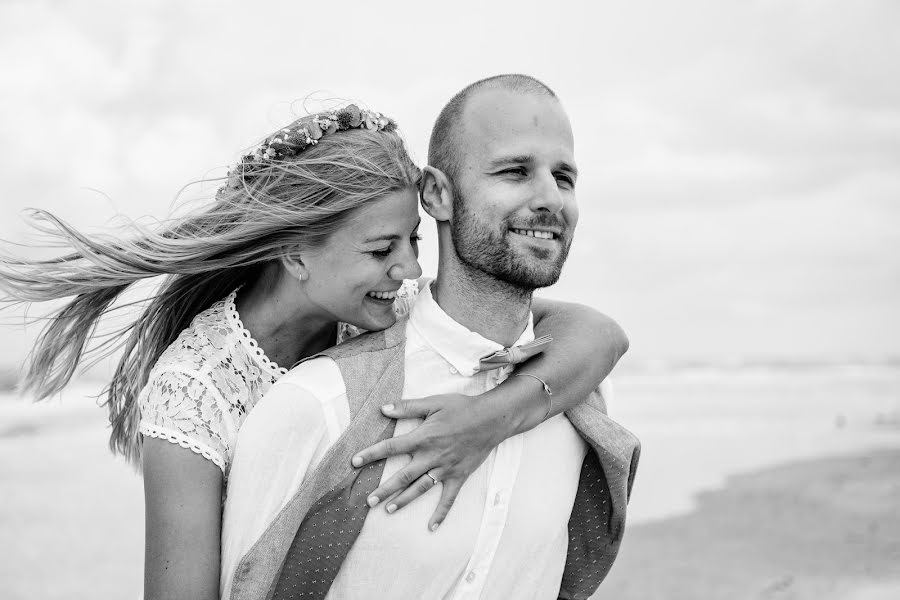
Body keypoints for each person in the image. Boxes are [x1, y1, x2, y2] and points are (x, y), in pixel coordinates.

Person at [0, 101, 628, 599]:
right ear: (296, 254)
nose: (412, 269)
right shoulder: (193, 390)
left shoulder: (379, 306)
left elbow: (597, 334)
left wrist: (486, 422)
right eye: (382, 250)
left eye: (412, 239)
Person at [221, 75, 640, 600]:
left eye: (565, 177)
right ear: (438, 194)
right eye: (515, 172)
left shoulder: (580, 406)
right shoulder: (315, 408)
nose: (550, 198)